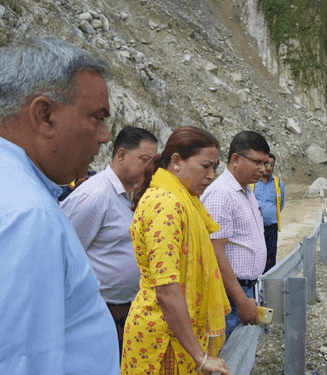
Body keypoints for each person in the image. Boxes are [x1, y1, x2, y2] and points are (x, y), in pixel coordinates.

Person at [0, 37, 120, 373]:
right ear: (45, 115)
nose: (105, 136)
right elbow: (22, 363)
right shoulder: (29, 215)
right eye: (97, 118)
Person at [121, 126, 230, 375]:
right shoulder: (165, 204)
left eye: (215, 167)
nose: (212, 175)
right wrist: (200, 357)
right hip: (162, 337)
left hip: (176, 333)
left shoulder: (184, 200)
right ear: (176, 161)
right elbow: (167, 290)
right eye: (206, 166)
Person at [61, 126, 158, 356]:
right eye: (144, 159)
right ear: (122, 155)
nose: (149, 167)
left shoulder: (135, 194)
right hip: (97, 310)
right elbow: (64, 253)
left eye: (153, 161)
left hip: (127, 308)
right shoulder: (94, 196)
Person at [200, 131, 271, 339]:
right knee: (226, 356)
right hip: (230, 296)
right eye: (257, 162)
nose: (262, 169)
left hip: (244, 292)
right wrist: (240, 300)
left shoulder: (247, 191)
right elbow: (215, 252)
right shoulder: (221, 193)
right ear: (235, 159)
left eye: (264, 163)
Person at [251, 153, 285, 274]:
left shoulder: (278, 184)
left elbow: (280, 204)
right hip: (254, 227)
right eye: (266, 164)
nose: (268, 167)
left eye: (271, 165)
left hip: (271, 226)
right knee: (255, 254)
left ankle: (268, 280)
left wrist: (270, 215)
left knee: (270, 254)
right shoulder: (252, 182)